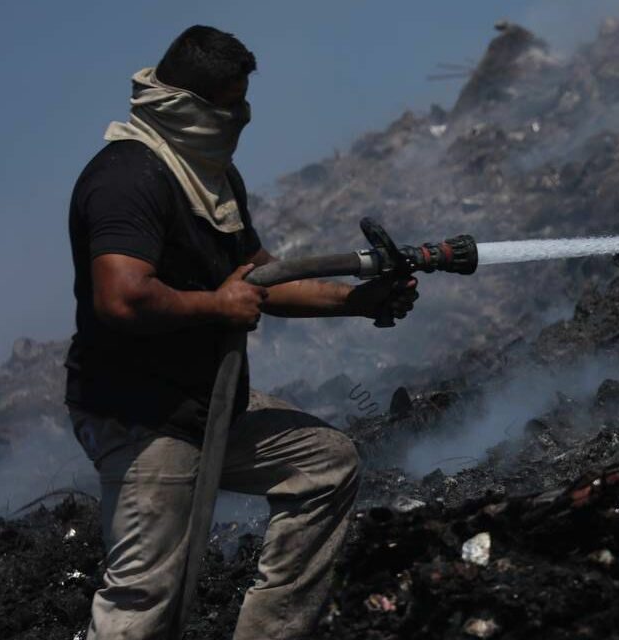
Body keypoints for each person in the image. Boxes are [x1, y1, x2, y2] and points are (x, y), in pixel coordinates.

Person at [64, 25, 416, 639]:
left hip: (208, 404)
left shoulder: (210, 178)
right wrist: (215, 306)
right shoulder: (130, 177)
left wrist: (358, 301)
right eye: (231, 105)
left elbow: (259, 280)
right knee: (144, 599)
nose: (242, 118)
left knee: (325, 465)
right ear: (191, 106)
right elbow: (119, 298)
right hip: (144, 414)